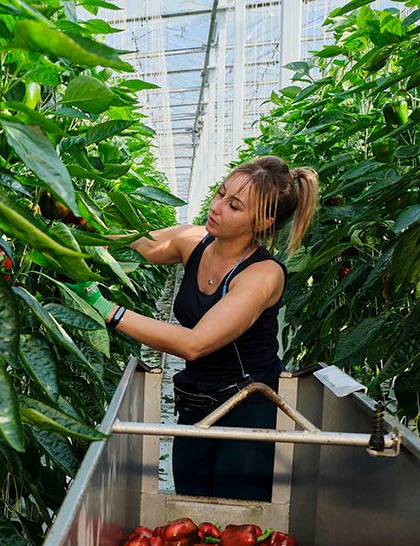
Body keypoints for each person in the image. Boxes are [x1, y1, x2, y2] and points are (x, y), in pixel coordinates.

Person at [74, 156, 319, 501]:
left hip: (248, 407)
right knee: (190, 506)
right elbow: (139, 243)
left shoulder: (263, 274)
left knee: (237, 519)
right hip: (195, 399)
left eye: (234, 206)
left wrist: (106, 310)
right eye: (220, 194)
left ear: (263, 222)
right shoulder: (194, 241)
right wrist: (75, 217)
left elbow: (195, 344)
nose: (217, 207)